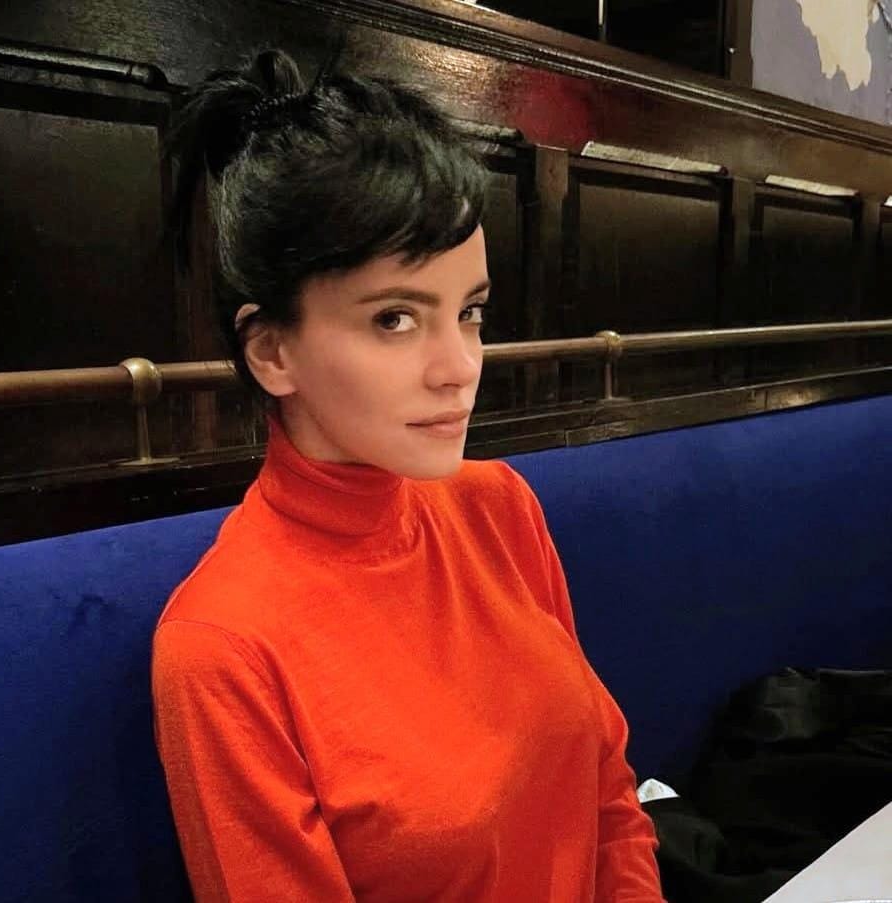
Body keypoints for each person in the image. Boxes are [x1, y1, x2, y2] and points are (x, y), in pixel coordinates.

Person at [151, 47, 663, 902]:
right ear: (272, 351)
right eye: (395, 318)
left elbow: (608, 787)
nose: (460, 367)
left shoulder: (498, 504)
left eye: (470, 312)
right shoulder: (221, 649)